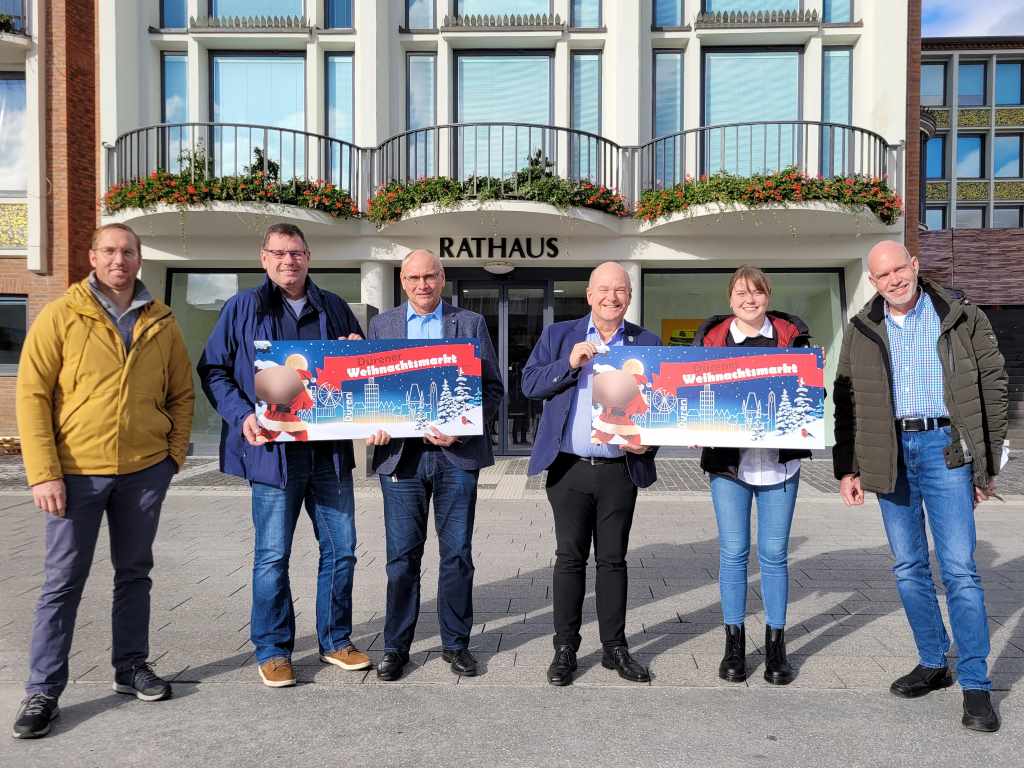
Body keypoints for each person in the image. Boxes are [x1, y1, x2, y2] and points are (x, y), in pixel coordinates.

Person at [12, 223, 194, 739]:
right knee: (62, 581)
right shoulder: (62, 315)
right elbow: (31, 396)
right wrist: (43, 473)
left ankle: (130, 666)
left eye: (128, 252)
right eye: (110, 251)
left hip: (143, 472)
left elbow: (181, 394)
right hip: (75, 473)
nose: (119, 259)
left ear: (140, 259)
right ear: (92, 256)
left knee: (134, 573)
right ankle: (43, 688)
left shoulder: (161, 320)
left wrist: (171, 457)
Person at [834, 240, 1007, 733]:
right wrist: (848, 467)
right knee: (908, 567)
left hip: (946, 448)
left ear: (914, 265)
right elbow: (844, 398)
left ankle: (976, 685)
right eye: (882, 275)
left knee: (959, 570)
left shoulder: (960, 314)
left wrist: (986, 464)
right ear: (873, 282)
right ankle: (933, 661)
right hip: (891, 452)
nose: (894, 280)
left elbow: (992, 384)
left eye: (899, 269)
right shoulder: (862, 329)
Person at [197, 223, 369, 688]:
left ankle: (336, 640)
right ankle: (273, 649)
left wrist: (360, 355)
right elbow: (213, 370)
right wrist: (240, 416)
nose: (287, 261)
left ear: (308, 257)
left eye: (295, 253)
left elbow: (355, 380)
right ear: (264, 258)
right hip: (273, 454)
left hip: (328, 455)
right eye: (278, 253)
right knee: (272, 556)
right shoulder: (242, 308)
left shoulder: (333, 307)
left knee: (343, 551)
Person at [365, 249, 504, 681]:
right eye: (413, 278)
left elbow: (493, 389)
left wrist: (462, 428)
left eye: (430, 276)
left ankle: (456, 645)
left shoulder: (470, 323)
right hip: (401, 459)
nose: (422, 285)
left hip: (454, 457)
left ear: (442, 278)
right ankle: (395, 648)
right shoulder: (382, 325)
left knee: (457, 555)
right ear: (402, 281)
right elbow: (369, 387)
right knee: (401, 559)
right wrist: (375, 423)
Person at [521, 261, 659, 686]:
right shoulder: (559, 335)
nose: (611, 298)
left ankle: (615, 648)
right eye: (604, 290)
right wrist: (569, 363)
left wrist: (648, 441)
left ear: (629, 297)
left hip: (619, 469)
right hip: (569, 468)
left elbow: (661, 404)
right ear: (588, 294)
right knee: (569, 559)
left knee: (613, 561)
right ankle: (565, 648)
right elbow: (529, 384)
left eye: (620, 290)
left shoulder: (646, 342)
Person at [692, 265, 813, 686]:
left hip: (780, 463)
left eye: (757, 293)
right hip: (729, 464)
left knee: (775, 555)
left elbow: (814, 391)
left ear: (768, 296)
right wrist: (689, 426)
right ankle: (734, 643)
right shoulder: (712, 341)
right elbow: (689, 393)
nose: (750, 300)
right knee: (733, 552)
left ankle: (777, 645)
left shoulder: (792, 336)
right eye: (742, 293)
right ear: (730, 300)